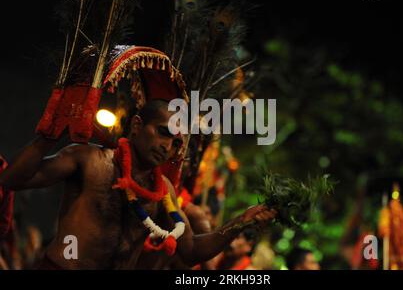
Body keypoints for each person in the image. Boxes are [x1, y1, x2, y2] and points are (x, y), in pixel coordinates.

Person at [0, 97, 276, 269]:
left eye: (177, 143)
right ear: (136, 126)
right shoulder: (89, 159)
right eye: (163, 133)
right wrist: (47, 136)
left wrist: (243, 220)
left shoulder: (163, 191)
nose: (168, 146)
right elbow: (12, 180)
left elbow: (191, 252)